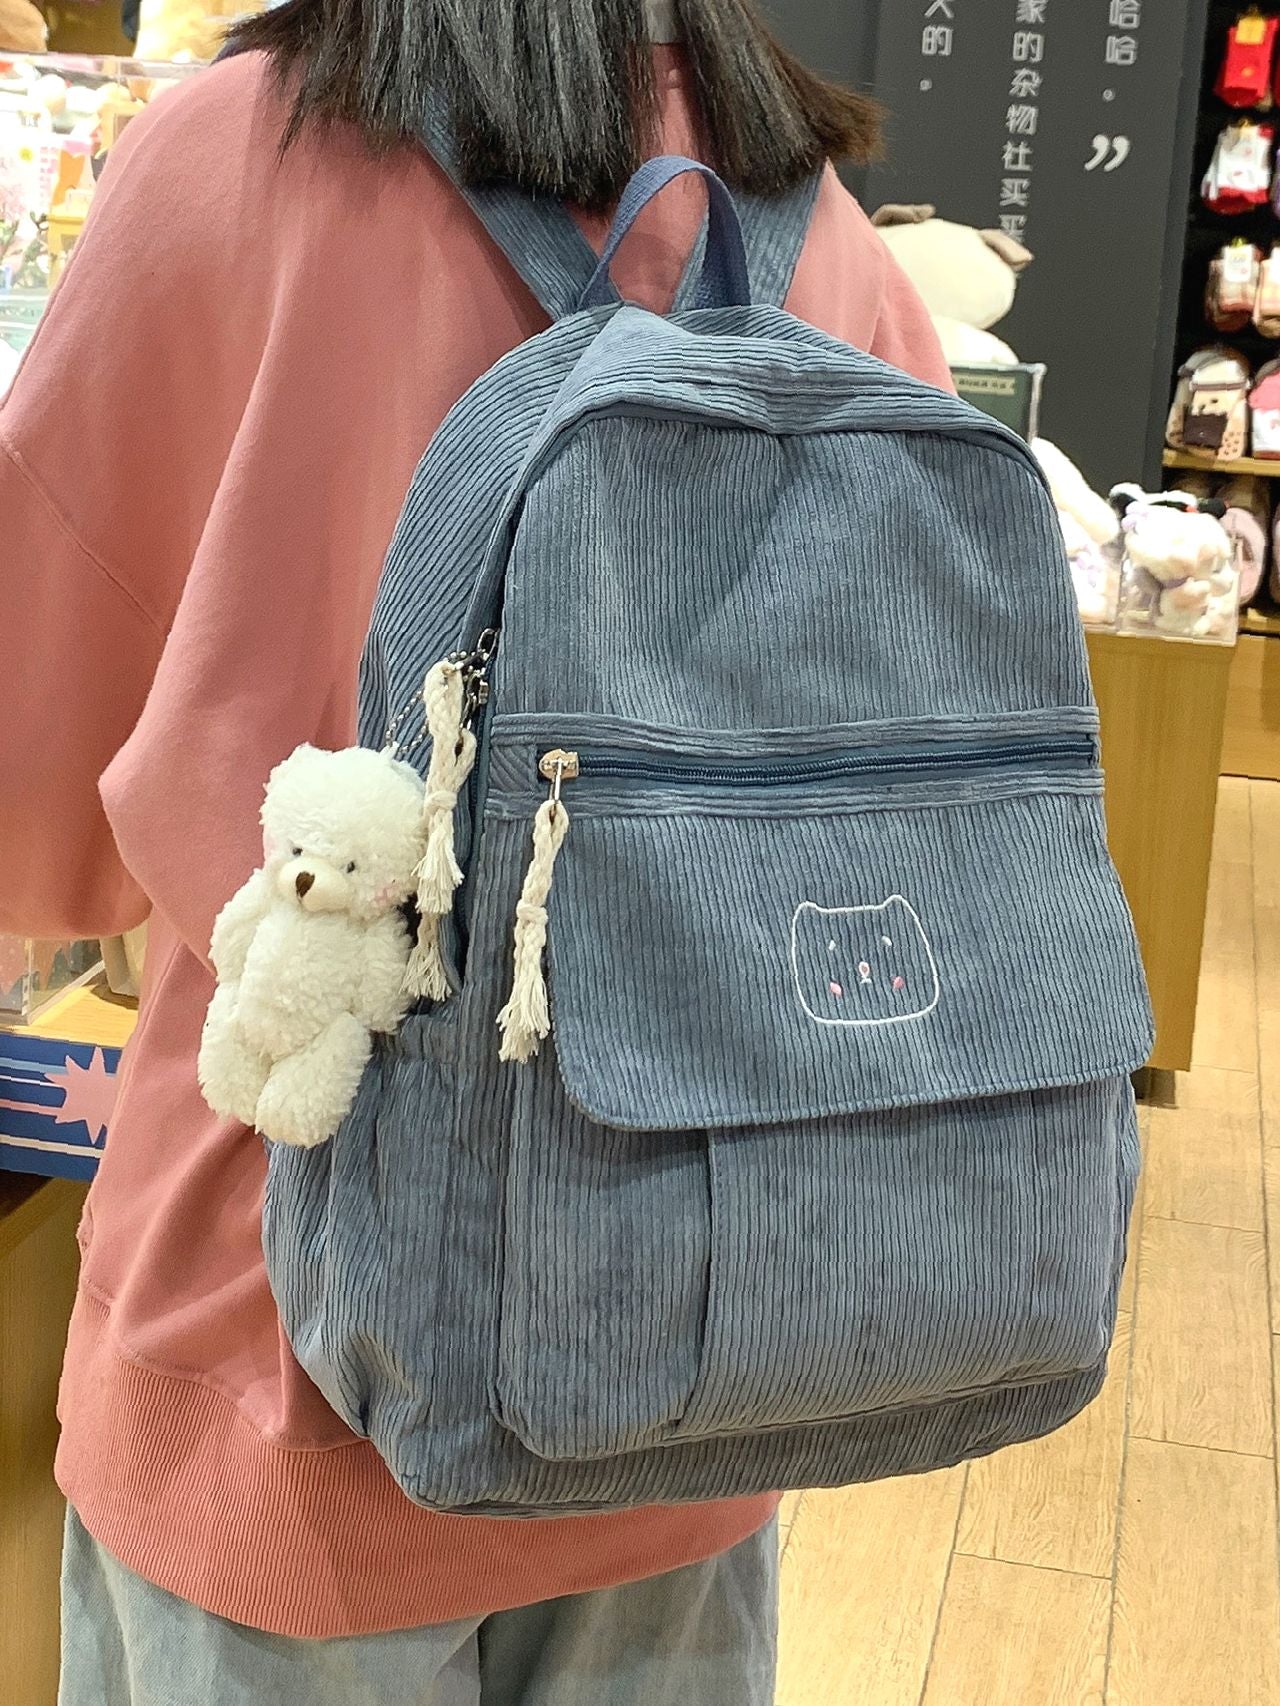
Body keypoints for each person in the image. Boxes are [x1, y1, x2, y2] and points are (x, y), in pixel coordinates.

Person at [0, 2, 950, 1699]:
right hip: (690, 1325)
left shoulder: (240, 153)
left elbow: (35, 803)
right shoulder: (813, 224)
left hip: (278, 1327)